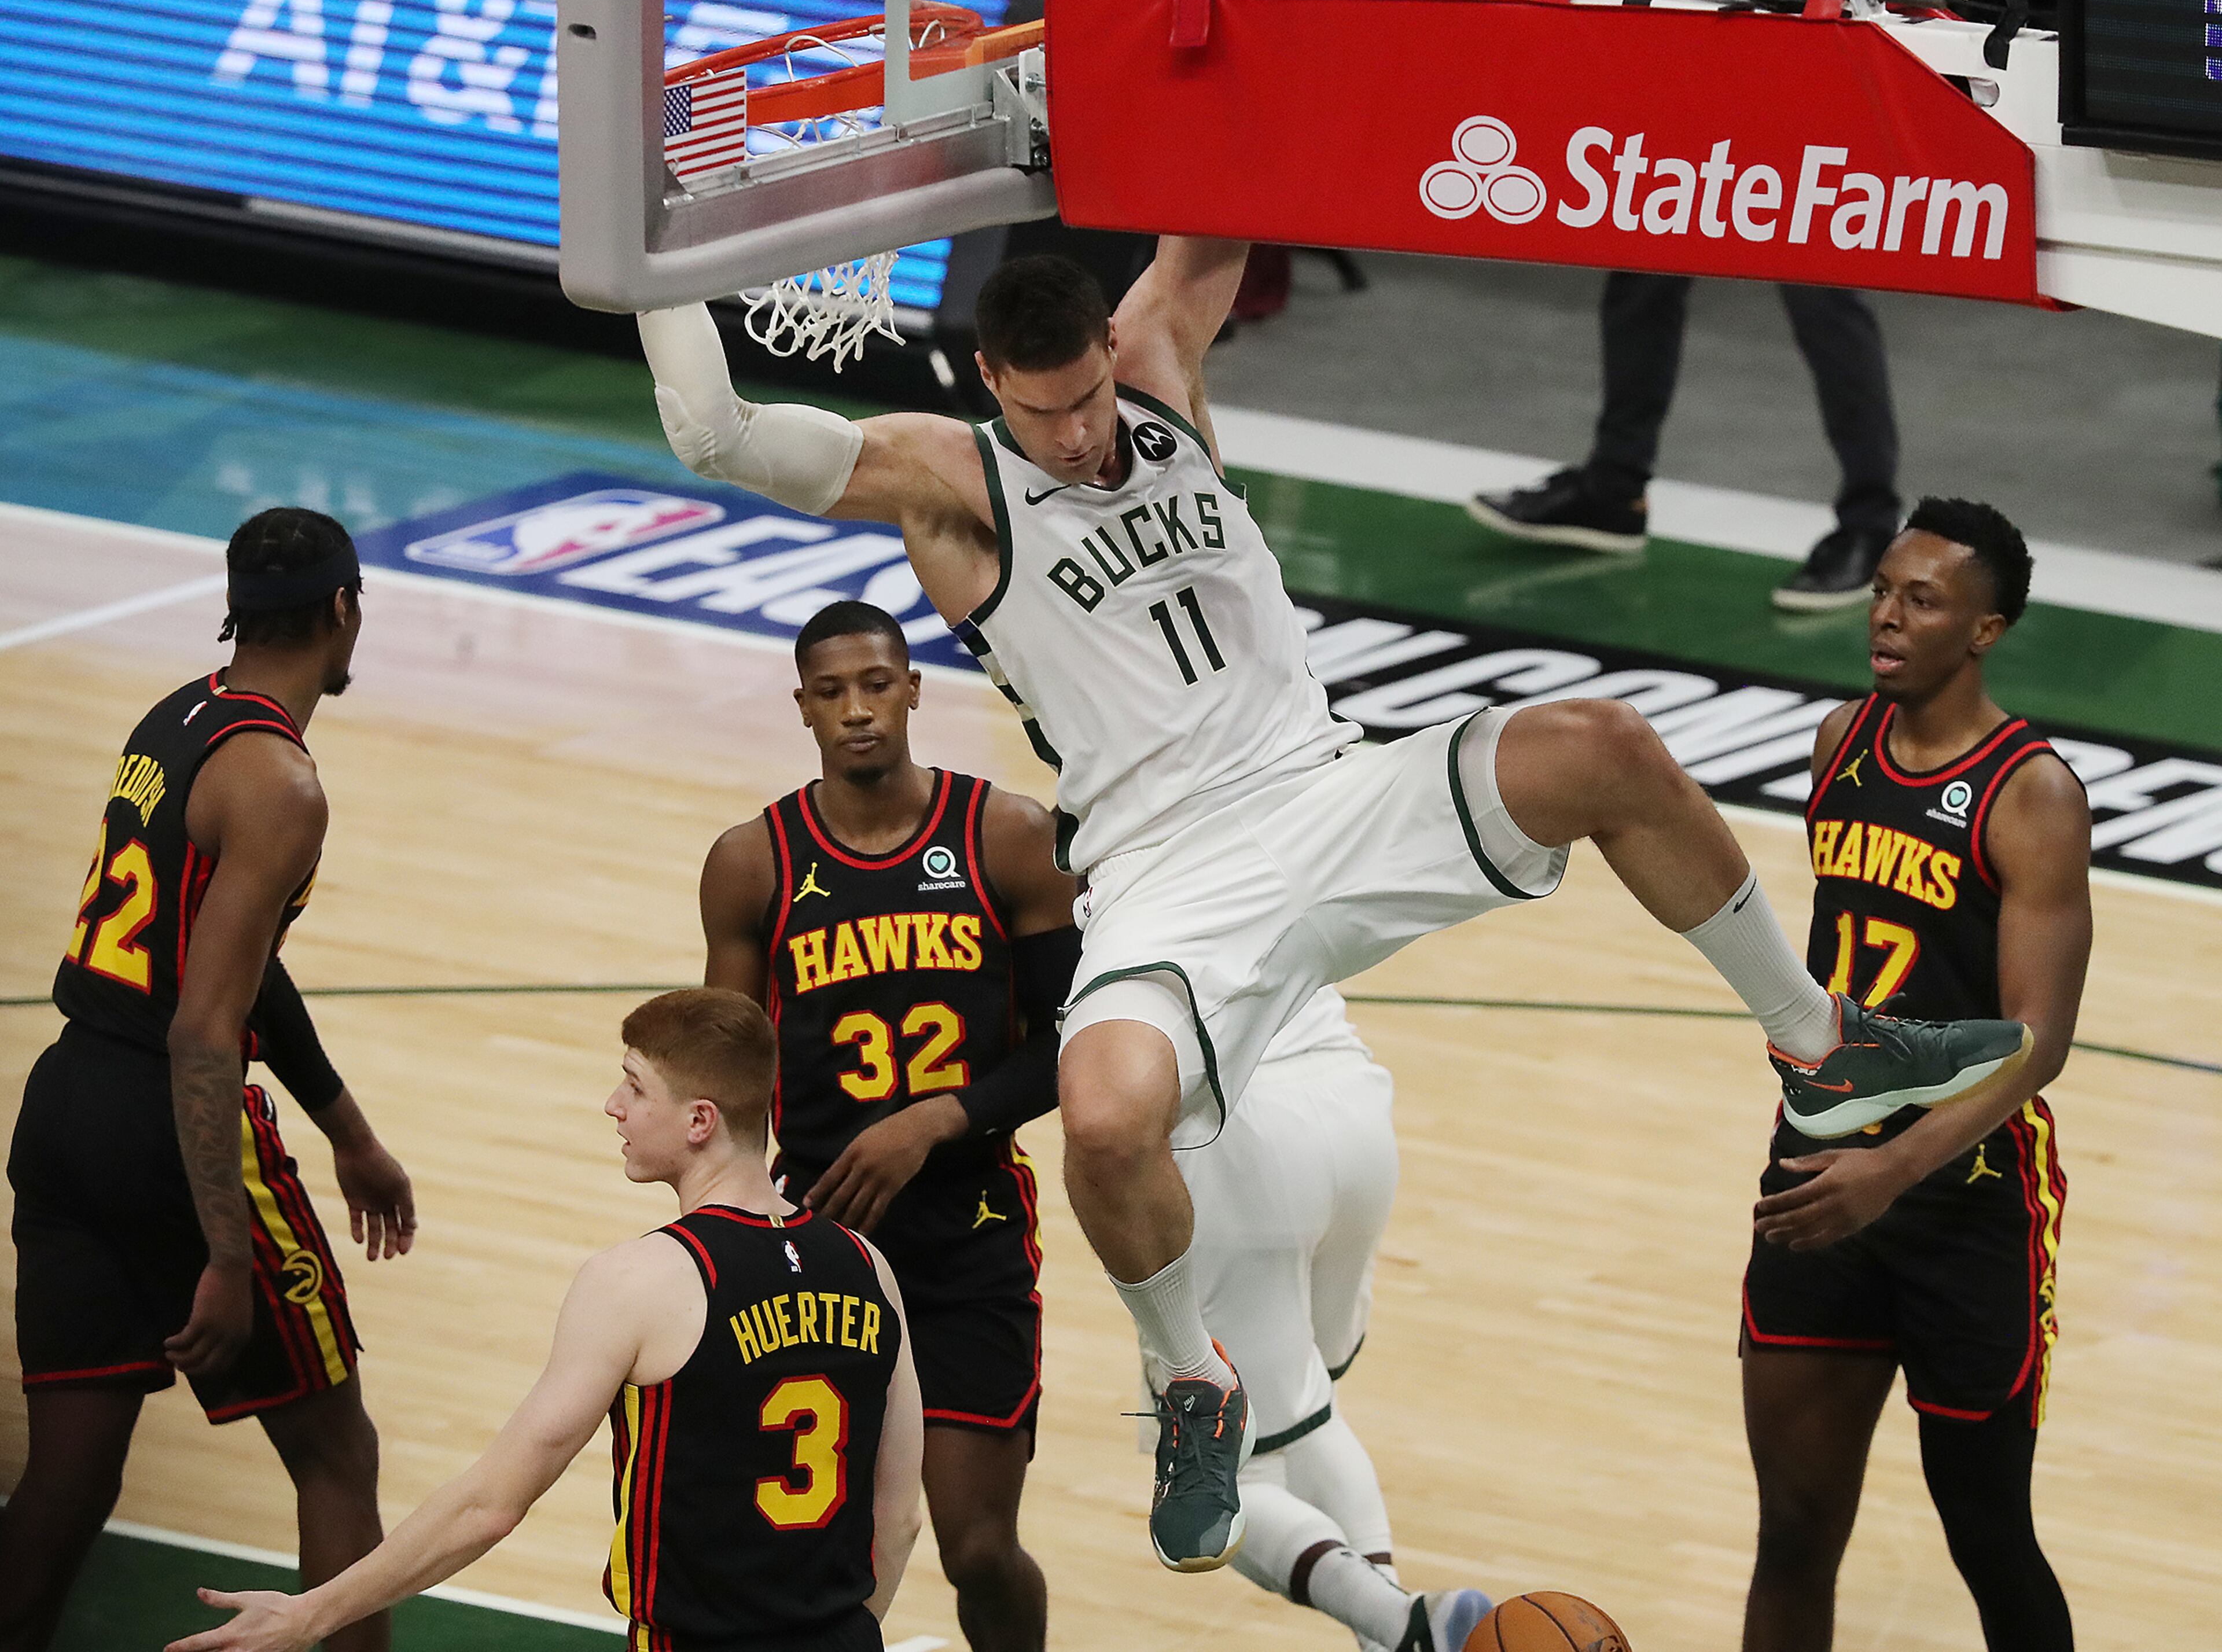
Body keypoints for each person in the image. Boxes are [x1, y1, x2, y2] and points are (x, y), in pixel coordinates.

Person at [633, 240, 2028, 1573]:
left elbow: (1217, 206)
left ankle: (1814, 1040)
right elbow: (715, 431)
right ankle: (1192, 1375)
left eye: (1088, 400)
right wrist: (649, 274)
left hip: (1325, 783)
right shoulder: (952, 477)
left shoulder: (1157, 368)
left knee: (1601, 744)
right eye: (1044, 409)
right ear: (994, 383)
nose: (1076, 435)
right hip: (1164, 862)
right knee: (1106, 1113)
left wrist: (1201, 12)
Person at [168, 987, 925, 1652]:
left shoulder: (639, 1279)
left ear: (699, 1120)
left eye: (635, 1086)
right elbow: (897, 1518)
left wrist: (309, 1614)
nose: (613, 1105)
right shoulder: (869, 1267)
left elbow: (490, 1505)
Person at [0, 507, 417, 1652]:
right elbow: (206, 1022)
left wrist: (348, 1128)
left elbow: (230, 959)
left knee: (68, 1479)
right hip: (166, 1127)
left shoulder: (173, 717)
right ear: (344, 610)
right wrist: (227, 1254)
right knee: (339, 1452)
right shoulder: (280, 779)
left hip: (64, 1104)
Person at [1739, 498, 2086, 1652]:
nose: (1887, 616)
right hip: (1818, 1181)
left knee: (1988, 1533)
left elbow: (2039, 1042)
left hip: (1966, 1198)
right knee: (1791, 1529)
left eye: (1921, 599)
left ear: (1985, 629)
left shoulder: (2032, 791)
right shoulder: (1840, 740)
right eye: (1884, 590)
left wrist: (1892, 1166)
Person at [700, 599, 1077, 1652]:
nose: (858, 710)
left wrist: (934, 1121)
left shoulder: (1008, 835)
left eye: (876, 684)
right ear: (803, 708)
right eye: (833, 692)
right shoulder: (753, 862)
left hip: (968, 1237)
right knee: (802, 1539)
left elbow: (1073, 1047)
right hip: (820, 1236)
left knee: (977, 1546)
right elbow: (729, 1073)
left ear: (914, 689)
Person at [1156, 985, 1493, 1652]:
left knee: (1229, 1475)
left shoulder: (1082, 883)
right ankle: (1392, 1632)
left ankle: (1406, 1624)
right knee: (1310, 1409)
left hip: (1236, 1134)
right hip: (1351, 1100)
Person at [1470, 273, 1901, 610]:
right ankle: (1614, 490)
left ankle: (1870, 524)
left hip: (1803, 159)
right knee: (1647, 261)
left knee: (1821, 290)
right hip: (1701, 154)